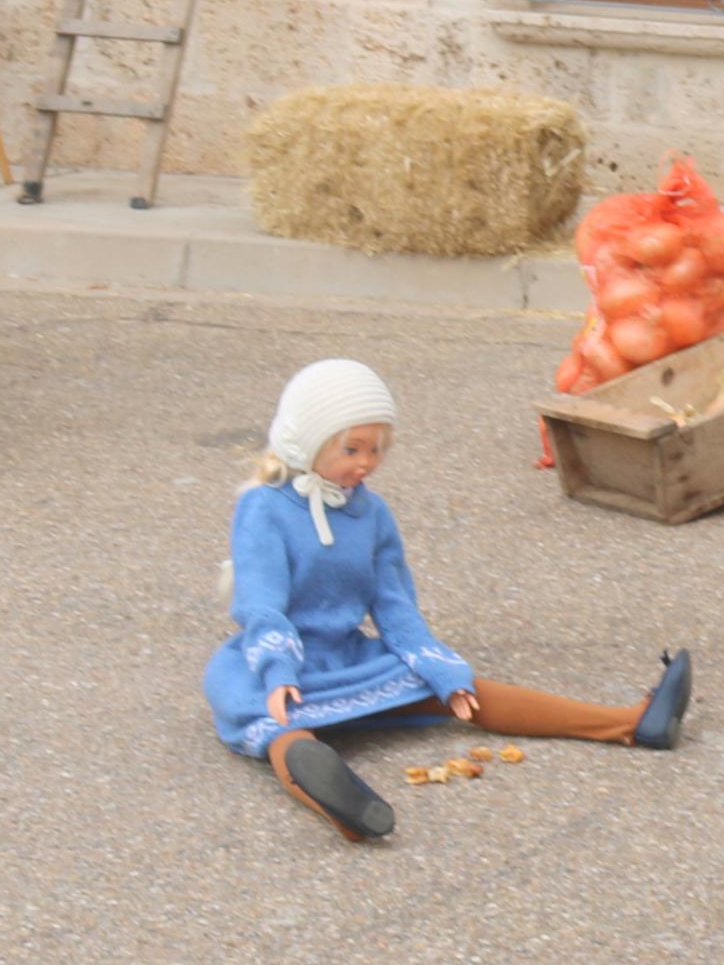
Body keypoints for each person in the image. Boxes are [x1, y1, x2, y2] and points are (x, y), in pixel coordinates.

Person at [206, 359, 696, 844]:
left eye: (377, 449)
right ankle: (341, 808)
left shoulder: (371, 514)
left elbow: (394, 607)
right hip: (274, 662)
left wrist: (441, 671)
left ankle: (631, 723)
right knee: (283, 729)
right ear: (307, 440)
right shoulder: (264, 507)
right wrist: (278, 673)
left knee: (463, 687)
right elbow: (261, 602)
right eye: (351, 448)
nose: (366, 462)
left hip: (349, 657)